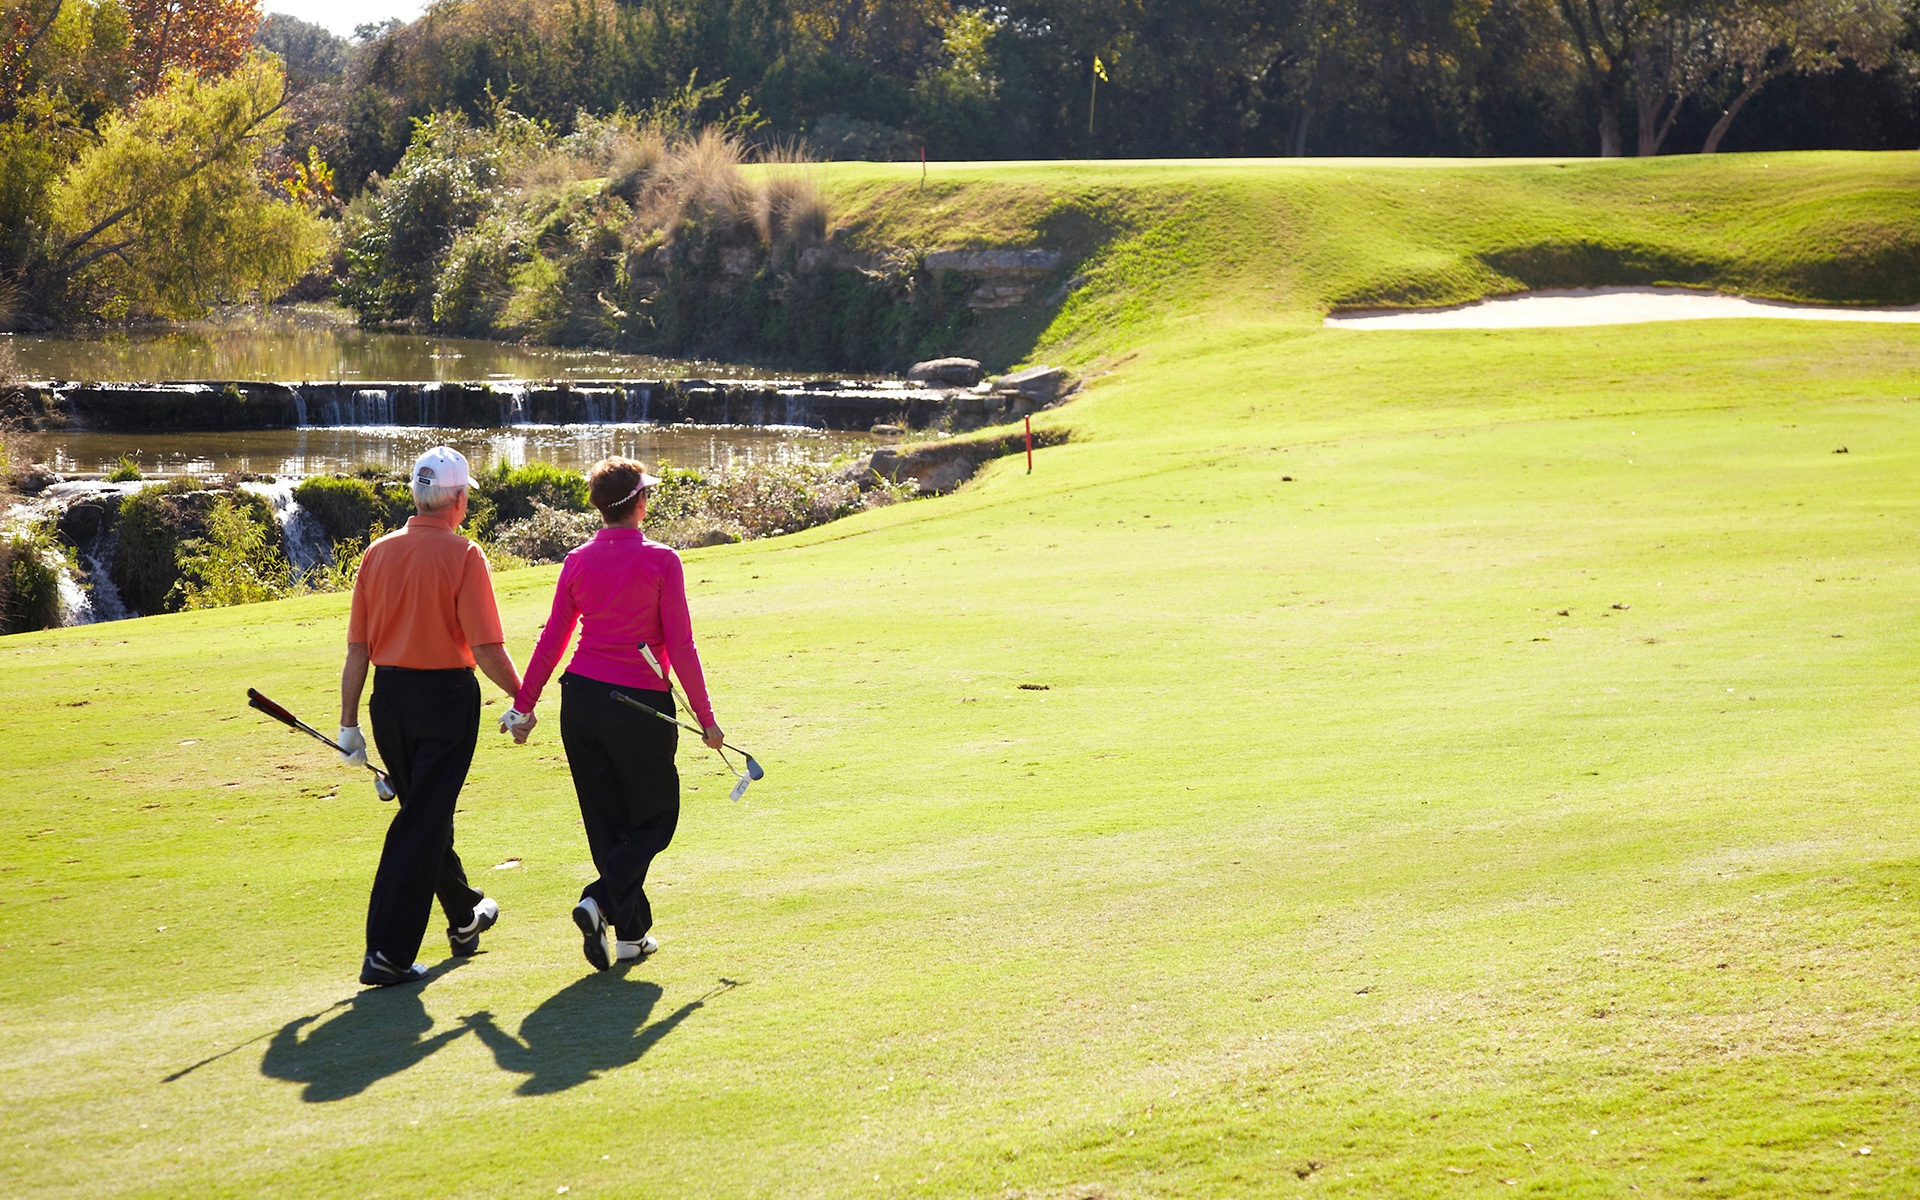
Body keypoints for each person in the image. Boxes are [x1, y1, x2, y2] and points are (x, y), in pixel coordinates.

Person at [498, 456, 724, 972]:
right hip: (637, 705)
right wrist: (707, 718)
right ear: (638, 503)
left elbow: (553, 641)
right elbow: (681, 645)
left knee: (608, 824)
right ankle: (598, 901)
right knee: (657, 820)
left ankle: (630, 937)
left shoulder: (577, 560)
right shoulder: (662, 559)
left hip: (580, 701)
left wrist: (523, 706)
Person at [339, 446, 531, 987]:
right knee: (421, 819)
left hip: (388, 701)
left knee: (425, 810)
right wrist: (523, 699)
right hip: (445, 700)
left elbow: (358, 649)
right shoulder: (465, 554)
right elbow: (486, 646)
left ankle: (465, 914)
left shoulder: (377, 552)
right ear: (459, 499)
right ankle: (387, 953)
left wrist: (349, 723)